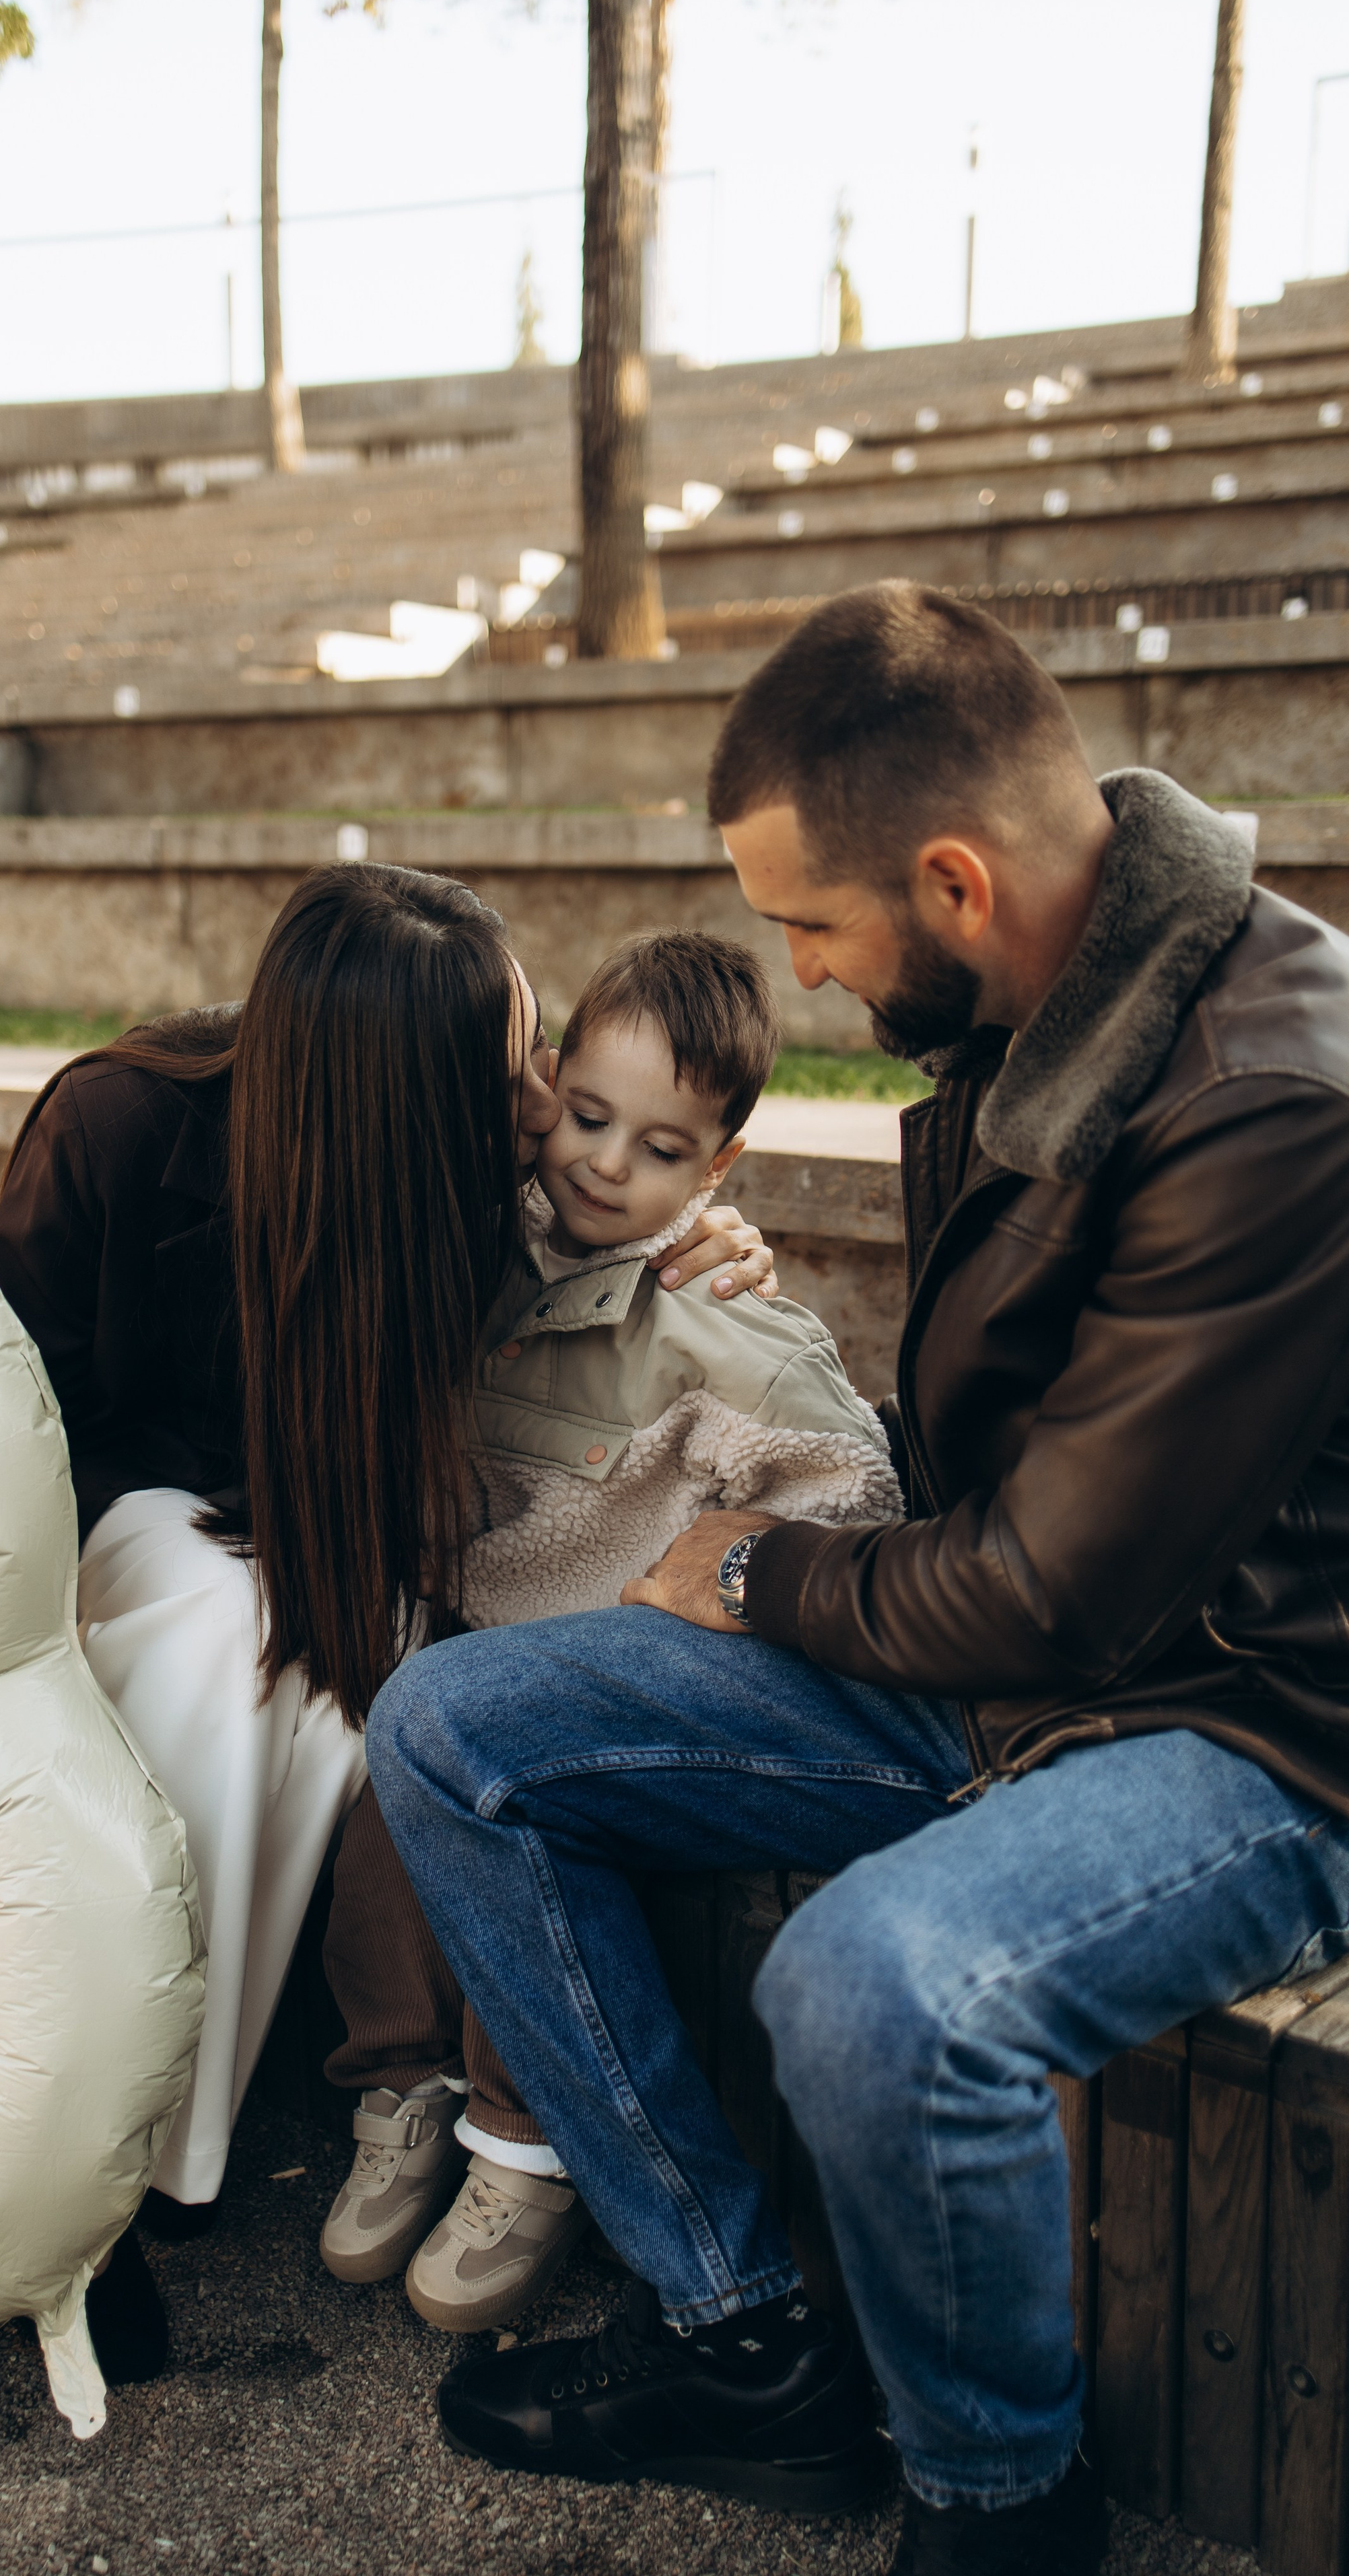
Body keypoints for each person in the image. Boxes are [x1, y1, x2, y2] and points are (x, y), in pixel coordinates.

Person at [365, 582, 1349, 2574]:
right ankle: (745, 2335)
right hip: (1017, 1670)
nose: (804, 975)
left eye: (812, 925)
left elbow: (1053, 1593)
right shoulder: (1058, 1006)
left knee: (872, 1987)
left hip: (1256, 1730)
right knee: (453, 1731)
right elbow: (1006, 1531)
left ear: (952, 880)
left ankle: (1003, 2507)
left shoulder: (1275, 1095)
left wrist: (754, 1574)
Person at [0, 862, 775, 2384]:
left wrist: (718, 1250)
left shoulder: (469, 1165)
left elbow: (610, 1248)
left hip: (330, 1551)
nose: (543, 1096)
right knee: (230, 1632)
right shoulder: (119, 1128)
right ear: (391, 1102)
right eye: (515, 1067)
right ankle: (78, 2173)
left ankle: (154, 2153)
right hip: (119, 1533)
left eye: (534, 1040)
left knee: (321, 1652)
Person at [317, 931, 902, 2336]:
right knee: (384, 1805)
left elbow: (853, 1494)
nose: (598, 1165)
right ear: (549, 1085)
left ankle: (523, 2149)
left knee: (531, 1818)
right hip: (462, 1649)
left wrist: (711, 1579)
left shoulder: (722, 1326)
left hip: (605, 1683)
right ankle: (399, 2079)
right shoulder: (472, 1243)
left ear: (717, 1171)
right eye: (583, 1117)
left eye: (655, 1149)